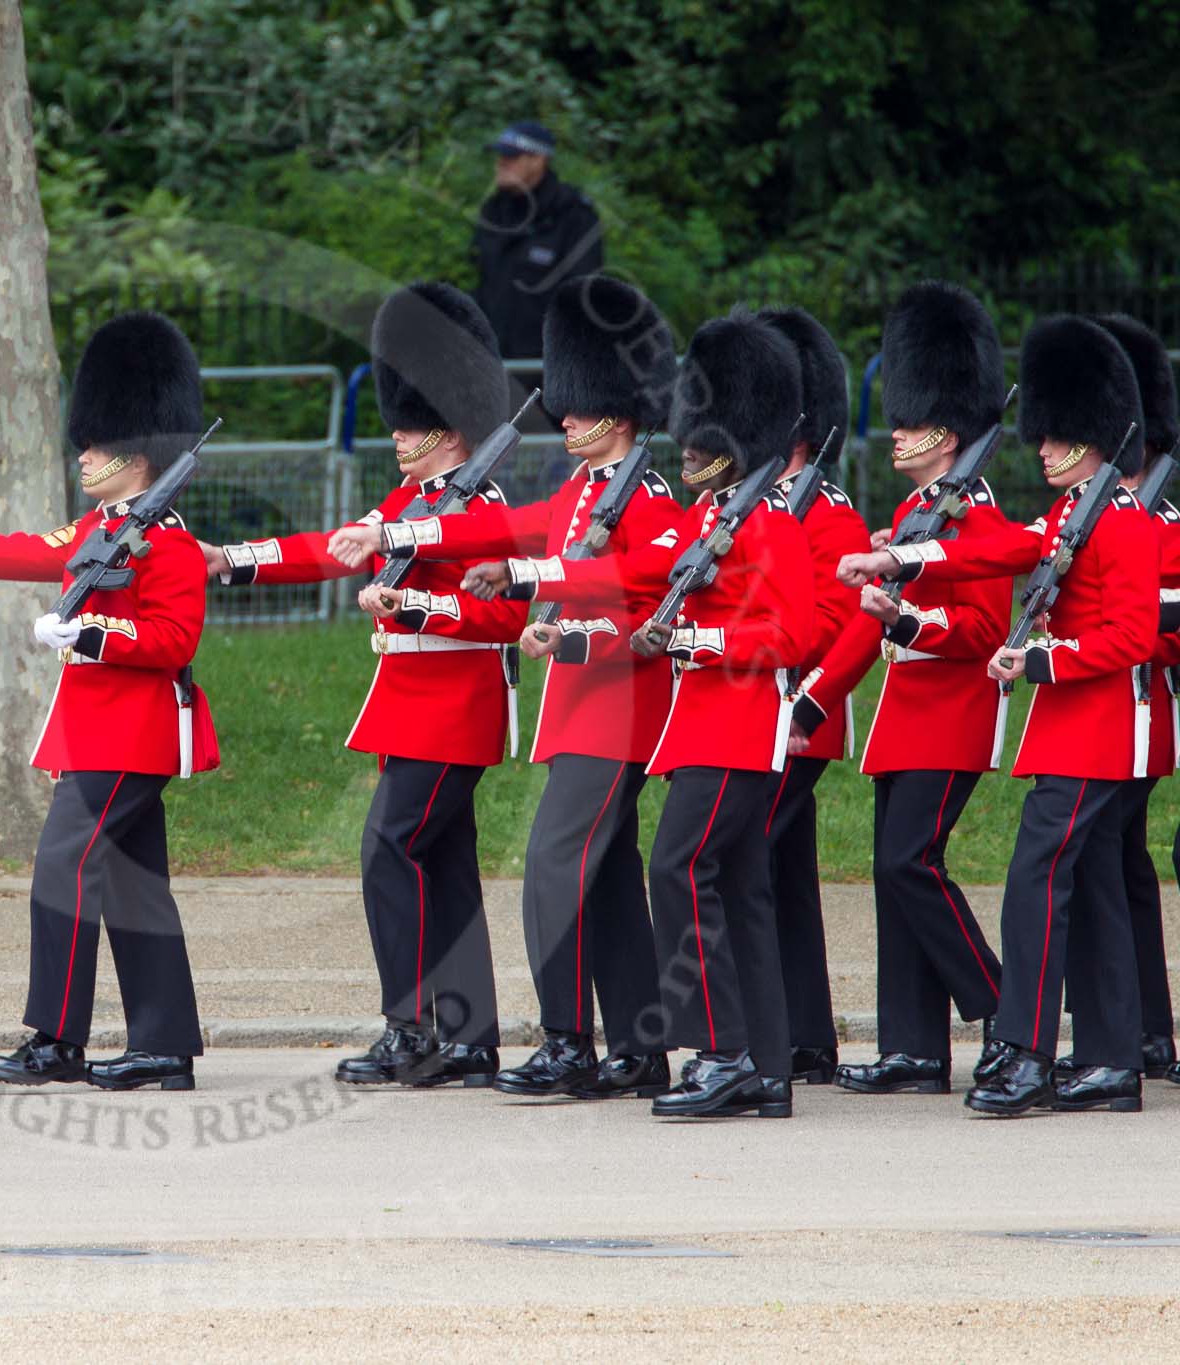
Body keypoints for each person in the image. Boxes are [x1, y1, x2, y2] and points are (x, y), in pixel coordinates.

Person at [323, 274, 681, 1100]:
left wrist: (533, 572)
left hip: (620, 708)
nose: (564, 417)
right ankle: (633, 1044)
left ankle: (568, 1042)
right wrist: (393, 528)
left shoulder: (649, 491)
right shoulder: (583, 488)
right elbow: (493, 524)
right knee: (608, 875)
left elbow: (651, 572)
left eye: (579, 406)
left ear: (618, 412)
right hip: (579, 707)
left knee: (556, 867)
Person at [471, 310, 814, 1118]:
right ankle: (764, 1066)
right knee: (736, 887)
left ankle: (722, 1053)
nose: (686, 449)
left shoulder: (767, 524)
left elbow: (790, 632)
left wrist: (695, 637)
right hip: (695, 725)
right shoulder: (708, 519)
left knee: (677, 871)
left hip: (737, 724)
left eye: (701, 440)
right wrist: (577, 639)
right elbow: (645, 614)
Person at [0, 312, 216, 1092]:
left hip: (133, 735)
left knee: (63, 872)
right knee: (132, 884)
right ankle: (164, 1046)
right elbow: (32, 548)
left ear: (136, 451)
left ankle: (56, 1038)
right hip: (96, 734)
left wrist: (90, 634)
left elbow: (172, 642)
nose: (83, 453)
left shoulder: (170, 542)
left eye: (95, 444)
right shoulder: (102, 526)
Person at [204, 281, 526, 1088]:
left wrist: (412, 601)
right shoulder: (415, 498)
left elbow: (503, 617)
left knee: (389, 851)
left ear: (449, 430)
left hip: (455, 705)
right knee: (442, 863)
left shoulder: (479, 506)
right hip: (411, 708)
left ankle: (411, 1028)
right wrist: (237, 559)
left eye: (410, 424)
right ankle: (468, 1034)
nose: (396, 434)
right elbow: (333, 546)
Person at [839, 314, 1157, 1116]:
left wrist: (1044, 657)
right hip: (1071, 727)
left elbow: (1134, 633)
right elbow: (998, 550)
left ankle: (1024, 1049)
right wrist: (902, 556)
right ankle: (1115, 1061)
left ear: (1092, 437)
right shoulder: (1071, 514)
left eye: (1058, 439)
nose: (1042, 450)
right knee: (1089, 884)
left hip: (1099, 728)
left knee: (1034, 879)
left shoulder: (1120, 518)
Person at [802, 281, 1011, 1097]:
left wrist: (905, 623)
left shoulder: (977, 519)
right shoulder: (918, 510)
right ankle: (914, 1048)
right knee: (896, 876)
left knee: (907, 863)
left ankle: (1006, 1005)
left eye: (911, 420)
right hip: (906, 717)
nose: (895, 432)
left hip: (952, 714)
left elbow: (983, 629)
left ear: (947, 429)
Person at [1056, 312, 1179, 1084]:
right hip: (1110, 707)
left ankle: (1126, 1036)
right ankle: (1143, 1031)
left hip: (1141, 706)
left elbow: (1153, 626)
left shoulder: (1158, 516)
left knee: (1107, 867)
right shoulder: (1110, 508)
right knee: (1122, 866)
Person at [760, 307, 871, 1086]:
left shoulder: (829, 515)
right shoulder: (762, 505)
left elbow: (839, 624)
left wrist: (803, 703)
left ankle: (760, 1037)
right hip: (755, 717)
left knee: (741, 865)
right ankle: (806, 1039)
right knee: (784, 879)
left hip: (796, 721)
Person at [471, 121, 604, 361]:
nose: (502, 162)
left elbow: (582, 299)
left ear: (538, 160)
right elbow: (480, 285)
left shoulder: (574, 216)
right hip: (491, 362)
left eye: (512, 156)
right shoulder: (492, 212)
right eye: (500, 155)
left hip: (544, 367)